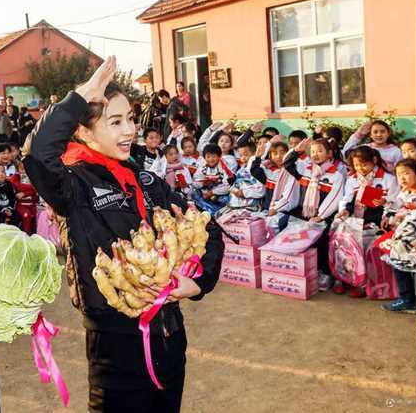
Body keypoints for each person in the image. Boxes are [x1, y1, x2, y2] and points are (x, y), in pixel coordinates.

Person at [24, 56, 223, 413]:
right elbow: (37, 155)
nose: (129, 130)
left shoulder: (147, 181)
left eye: (130, 118)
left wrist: (199, 282)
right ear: (83, 131)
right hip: (116, 348)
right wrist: (82, 96)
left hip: (169, 335)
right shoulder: (73, 185)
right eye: (114, 122)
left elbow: (208, 229)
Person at [334, 146, 398, 297]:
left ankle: (363, 285)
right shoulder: (352, 179)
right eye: (356, 165)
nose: (360, 168)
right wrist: (344, 210)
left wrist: (384, 201)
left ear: (374, 161)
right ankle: (346, 279)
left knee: (365, 248)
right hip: (355, 219)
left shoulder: (388, 179)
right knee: (342, 245)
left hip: (377, 222)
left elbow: (396, 201)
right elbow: (347, 200)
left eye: (364, 164)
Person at [283, 138, 346, 291]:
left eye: (319, 151)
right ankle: (305, 269)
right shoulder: (306, 170)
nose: (315, 154)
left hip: (322, 216)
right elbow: (287, 164)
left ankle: (325, 273)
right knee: (300, 240)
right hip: (305, 213)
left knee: (321, 244)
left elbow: (335, 197)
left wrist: (321, 215)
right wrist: (296, 151)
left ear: (329, 153)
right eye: (312, 151)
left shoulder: (335, 175)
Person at [380, 159, 416, 313]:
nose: (402, 178)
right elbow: (395, 208)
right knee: (396, 259)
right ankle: (407, 299)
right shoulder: (405, 192)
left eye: (406, 173)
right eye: (399, 175)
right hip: (406, 237)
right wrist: (390, 217)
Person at [250, 137, 299, 215]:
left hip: (282, 211)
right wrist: (258, 157)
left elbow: (289, 198)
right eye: (275, 153)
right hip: (267, 209)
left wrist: (275, 209)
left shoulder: (291, 172)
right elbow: (255, 171)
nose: (279, 156)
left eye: (282, 152)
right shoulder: (269, 169)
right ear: (270, 156)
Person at [191, 144, 235, 214]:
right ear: (204, 157)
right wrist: (202, 184)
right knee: (193, 193)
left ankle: (213, 210)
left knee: (227, 199)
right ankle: (208, 209)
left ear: (219, 156)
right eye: (208, 157)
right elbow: (196, 180)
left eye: (213, 156)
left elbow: (228, 186)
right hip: (206, 191)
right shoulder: (202, 166)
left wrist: (212, 192)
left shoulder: (225, 167)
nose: (211, 159)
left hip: (220, 193)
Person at [227, 142, 265, 209]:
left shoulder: (258, 170)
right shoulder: (241, 169)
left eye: (246, 155)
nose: (243, 158)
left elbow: (261, 190)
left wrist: (243, 193)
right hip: (236, 204)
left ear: (254, 154)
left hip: (250, 206)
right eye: (241, 155)